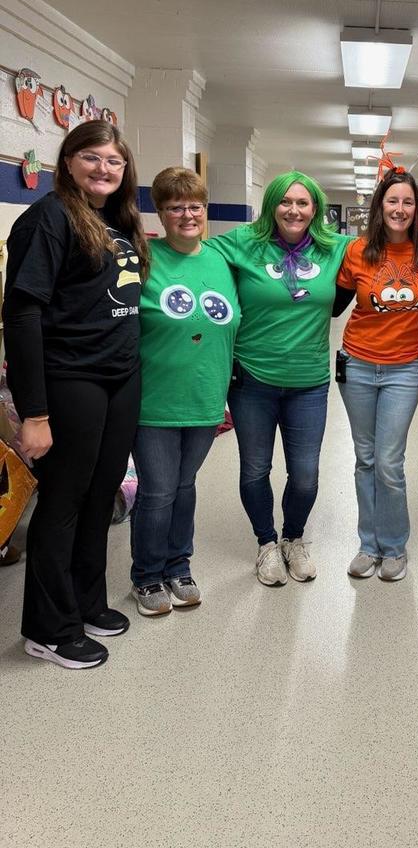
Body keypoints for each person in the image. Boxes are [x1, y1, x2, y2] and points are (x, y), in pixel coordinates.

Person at [2, 120, 148, 669]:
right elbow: (20, 314)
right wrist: (34, 412)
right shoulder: (48, 219)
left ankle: (87, 603)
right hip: (71, 378)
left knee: (101, 493)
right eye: (92, 157)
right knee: (63, 499)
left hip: (119, 376)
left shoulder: (117, 221)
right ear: (68, 162)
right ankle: (48, 627)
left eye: (114, 160)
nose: (104, 168)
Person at [212, 171, 349, 585]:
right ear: (272, 205)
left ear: (315, 209)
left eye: (303, 203)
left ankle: (293, 538)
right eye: (285, 202)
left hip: (309, 381)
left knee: (305, 474)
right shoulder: (243, 243)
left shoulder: (335, 248)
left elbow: (387, 246)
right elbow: (185, 249)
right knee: (255, 468)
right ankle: (266, 543)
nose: (294, 210)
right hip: (252, 378)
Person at [130, 168, 240, 617]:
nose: (187, 214)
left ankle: (179, 565)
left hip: (205, 396)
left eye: (195, 205)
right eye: (176, 206)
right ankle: (147, 575)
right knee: (157, 491)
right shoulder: (142, 257)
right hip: (154, 398)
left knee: (184, 485)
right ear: (160, 212)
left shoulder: (220, 260)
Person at [335, 171, 418, 581]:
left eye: (408, 202)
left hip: (403, 370)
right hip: (358, 365)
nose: (400, 209)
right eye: (392, 201)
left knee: (389, 461)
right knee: (365, 458)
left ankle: (394, 546)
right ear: (380, 206)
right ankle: (368, 544)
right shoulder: (359, 251)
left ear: (417, 209)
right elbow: (333, 304)